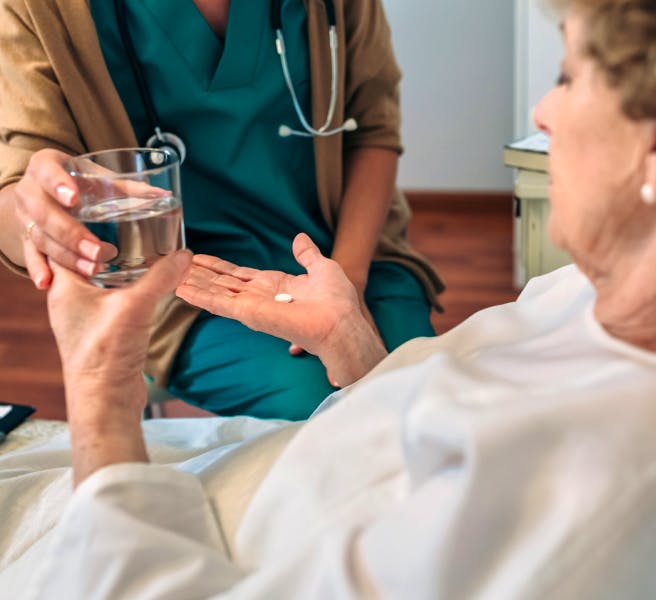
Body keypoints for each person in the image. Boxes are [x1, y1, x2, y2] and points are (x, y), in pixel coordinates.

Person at [2, 0, 656, 597]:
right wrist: (357, 350)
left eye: (568, 77)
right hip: (242, 362)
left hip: (135, 535)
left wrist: (102, 387)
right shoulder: (566, 298)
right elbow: (419, 430)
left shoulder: (596, 487)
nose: (541, 112)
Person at [0, 0, 443, 420]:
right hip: (182, 291)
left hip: (350, 249)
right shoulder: (38, 9)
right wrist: (38, 220)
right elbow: (20, 192)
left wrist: (347, 284)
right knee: (323, 403)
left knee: (419, 389)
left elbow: (372, 128)